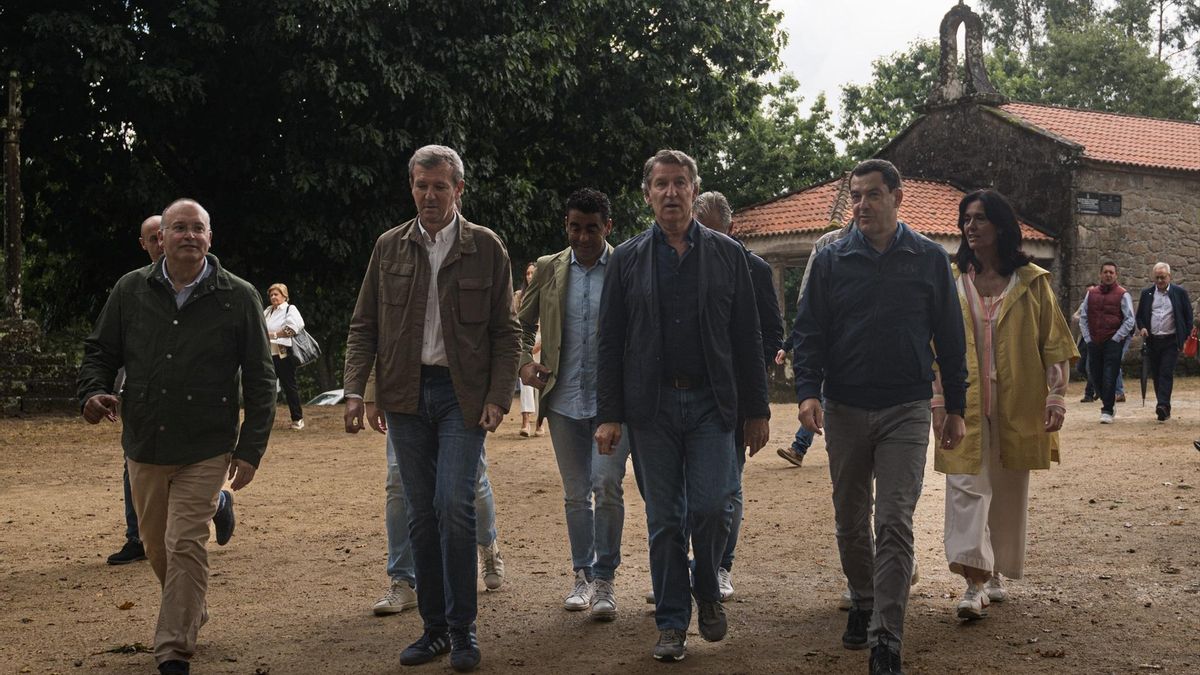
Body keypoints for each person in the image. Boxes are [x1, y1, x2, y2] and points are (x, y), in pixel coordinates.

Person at [78, 198, 274, 675]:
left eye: (198, 229)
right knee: (157, 546)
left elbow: (261, 377)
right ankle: (190, 607)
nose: (189, 235)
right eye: (178, 228)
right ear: (160, 238)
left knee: (185, 542)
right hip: (145, 441)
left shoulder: (239, 295)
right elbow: (101, 351)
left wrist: (249, 450)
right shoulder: (130, 289)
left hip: (207, 443)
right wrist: (93, 392)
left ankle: (172, 649)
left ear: (211, 238)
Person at [343, 144, 520, 673]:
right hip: (402, 396)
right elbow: (364, 325)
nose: (429, 195)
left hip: (461, 398)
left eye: (440, 185)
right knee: (420, 513)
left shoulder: (486, 247)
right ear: (411, 187)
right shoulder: (388, 247)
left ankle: (463, 631)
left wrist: (497, 397)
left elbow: (506, 333)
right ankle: (435, 631)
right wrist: (357, 389)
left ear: (458, 189)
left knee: (453, 506)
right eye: (421, 185)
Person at [791, 159, 967, 675]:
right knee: (850, 520)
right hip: (843, 406)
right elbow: (808, 332)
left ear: (897, 197)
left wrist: (954, 406)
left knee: (894, 520)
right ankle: (864, 597)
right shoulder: (830, 260)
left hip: (906, 409)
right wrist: (807, 393)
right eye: (856, 196)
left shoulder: (930, 258)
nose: (861, 205)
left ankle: (886, 634)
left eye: (871, 195)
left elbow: (951, 340)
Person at [595, 149, 770, 662]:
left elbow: (748, 335)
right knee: (666, 519)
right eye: (661, 184)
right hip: (651, 410)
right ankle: (672, 622)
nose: (671, 193)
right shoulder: (627, 259)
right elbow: (611, 341)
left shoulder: (727, 254)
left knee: (714, 506)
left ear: (695, 190)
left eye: (680, 183)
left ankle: (708, 586)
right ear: (647, 194)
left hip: (713, 404)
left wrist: (756, 409)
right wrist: (610, 414)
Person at [933, 189, 1077, 621]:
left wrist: (1056, 395)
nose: (969, 227)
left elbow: (1054, 342)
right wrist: (939, 401)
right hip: (964, 405)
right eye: (966, 219)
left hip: (1019, 402)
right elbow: (934, 347)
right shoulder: (951, 283)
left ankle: (995, 570)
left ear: (1000, 225)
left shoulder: (1032, 282)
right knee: (965, 487)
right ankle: (973, 580)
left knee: (1008, 489)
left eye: (979, 218)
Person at [518, 187, 630, 620]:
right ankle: (581, 575)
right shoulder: (549, 268)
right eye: (574, 228)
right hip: (563, 400)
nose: (582, 237)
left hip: (612, 405)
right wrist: (524, 367)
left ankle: (606, 580)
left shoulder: (625, 265)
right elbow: (518, 326)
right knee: (574, 493)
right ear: (566, 226)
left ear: (608, 227)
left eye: (591, 229)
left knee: (607, 485)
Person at [692, 190, 782, 601]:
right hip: (690, 395)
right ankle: (684, 569)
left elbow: (769, 334)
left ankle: (719, 567)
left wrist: (750, 388)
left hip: (735, 397)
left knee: (728, 486)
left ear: (730, 229)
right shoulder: (680, 264)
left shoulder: (755, 269)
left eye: (714, 232)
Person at [361, 374, 507, 616]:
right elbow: (378, 338)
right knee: (397, 483)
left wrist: (495, 393)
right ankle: (403, 579)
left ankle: (487, 543)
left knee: (473, 481)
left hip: (459, 390)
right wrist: (371, 392)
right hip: (404, 391)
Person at [106, 214, 163, 566]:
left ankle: (216, 503)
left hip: (190, 396)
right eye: (152, 239)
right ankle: (136, 536)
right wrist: (107, 389)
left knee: (189, 466)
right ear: (143, 244)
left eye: (163, 235)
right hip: (141, 396)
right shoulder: (130, 289)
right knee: (135, 463)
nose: (160, 243)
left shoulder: (206, 286)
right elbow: (113, 346)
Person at [1079, 261, 1135, 424]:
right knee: (1094, 373)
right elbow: (1083, 317)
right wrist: (1088, 338)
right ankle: (1107, 400)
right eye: (1105, 272)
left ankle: (1107, 409)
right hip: (1094, 341)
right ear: (1100, 274)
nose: (1108, 275)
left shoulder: (1123, 294)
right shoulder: (1091, 294)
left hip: (1113, 341)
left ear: (1116, 275)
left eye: (1111, 272)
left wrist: (1117, 338)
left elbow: (1129, 319)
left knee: (1110, 374)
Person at [1136, 263, 1193, 421]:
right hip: (1153, 340)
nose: (1160, 280)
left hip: (1171, 341)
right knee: (1156, 373)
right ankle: (1164, 407)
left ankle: (1162, 404)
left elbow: (1188, 317)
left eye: (1163, 277)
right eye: (1157, 277)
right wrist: (1142, 328)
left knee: (1166, 372)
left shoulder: (1179, 293)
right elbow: (1139, 316)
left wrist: (1185, 337)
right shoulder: (1146, 293)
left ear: (1169, 277)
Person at [263, 283, 307, 430]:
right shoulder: (268, 311)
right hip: (268, 354)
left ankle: (297, 418)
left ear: (284, 296)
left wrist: (273, 335)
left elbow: (293, 328)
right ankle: (265, 420)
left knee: (289, 386)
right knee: (267, 388)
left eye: (276, 294)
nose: (273, 297)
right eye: (271, 295)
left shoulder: (290, 309)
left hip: (283, 354)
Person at [513, 262, 544, 437]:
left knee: (541, 380)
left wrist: (541, 344)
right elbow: (515, 320)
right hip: (524, 340)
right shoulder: (518, 296)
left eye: (533, 273)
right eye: (528, 273)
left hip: (543, 339)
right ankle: (526, 421)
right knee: (525, 381)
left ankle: (540, 422)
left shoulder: (547, 293)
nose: (530, 276)